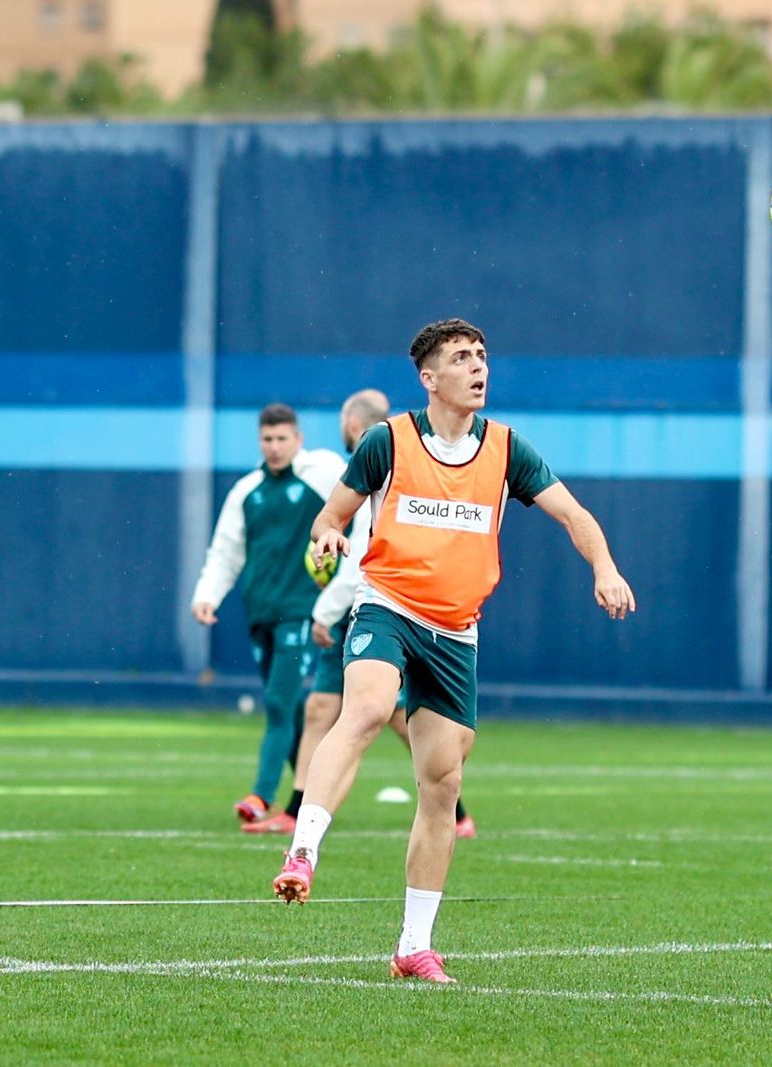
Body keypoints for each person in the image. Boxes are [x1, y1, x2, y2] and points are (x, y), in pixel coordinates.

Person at [271, 318, 637, 985]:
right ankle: (302, 852)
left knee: (442, 783)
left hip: (457, 631)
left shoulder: (506, 449)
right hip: (388, 605)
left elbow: (575, 515)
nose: (478, 366)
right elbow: (331, 515)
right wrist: (326, 538)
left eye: (483, 356)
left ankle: (414, 945)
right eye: (462, 357)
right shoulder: (388, 441)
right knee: (367, 707)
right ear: (429, 377)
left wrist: (604, 565)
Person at [242, 388, 476, 839]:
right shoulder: (392, 460)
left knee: (383, 716)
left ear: (352, 426)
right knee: (322, 709)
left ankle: (453, 805)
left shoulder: (381, 468)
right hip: (370, 610)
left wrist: (324, 612)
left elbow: (364, 557)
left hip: (376, 613)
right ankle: (297, 810)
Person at [190, 403, 346, 823]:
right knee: (292, 709)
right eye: (267, 439)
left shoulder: (322, 473)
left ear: (298, 439)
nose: (275, 447)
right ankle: (309, 802)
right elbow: (225, 550)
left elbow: (360, 506)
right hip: (261, 611)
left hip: (301, 612)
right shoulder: (247, 490)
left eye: (282, 438)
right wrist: (208, 594)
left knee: (278, 702)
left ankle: (260, 796)